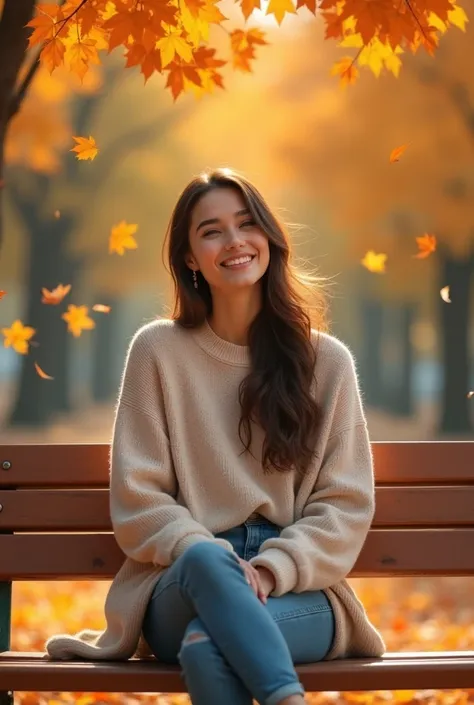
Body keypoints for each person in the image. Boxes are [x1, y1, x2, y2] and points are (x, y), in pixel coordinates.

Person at [46, 167, 385, 705]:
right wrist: (211, 557)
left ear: (269, 238)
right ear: (189, 257)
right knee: (207, 562)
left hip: (294, 584)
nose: (235, 242)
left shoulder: (327, 362)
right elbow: (139, 496)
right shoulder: (157, 351)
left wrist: (272, 571)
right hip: (181, 579)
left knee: (208, 650)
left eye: (247, 224)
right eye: (212, 231)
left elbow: (344, 504)